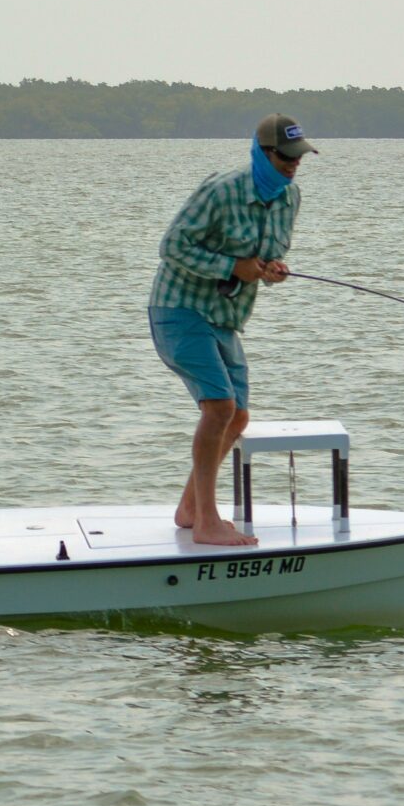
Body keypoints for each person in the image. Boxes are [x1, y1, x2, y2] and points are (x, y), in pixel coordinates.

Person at [147, 113, 314, 546]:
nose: (294, 164)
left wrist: (271, 268)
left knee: (237, 416)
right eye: (286, 157)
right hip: (179, 309)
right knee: (218, 407)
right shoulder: (222, 190)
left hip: (224, 318)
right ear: (263, 153)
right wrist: (230, 266)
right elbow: (172, 245)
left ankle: (188, 508)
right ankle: (206, 521)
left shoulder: (290, 198)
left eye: (299, 157)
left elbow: (266, 254)